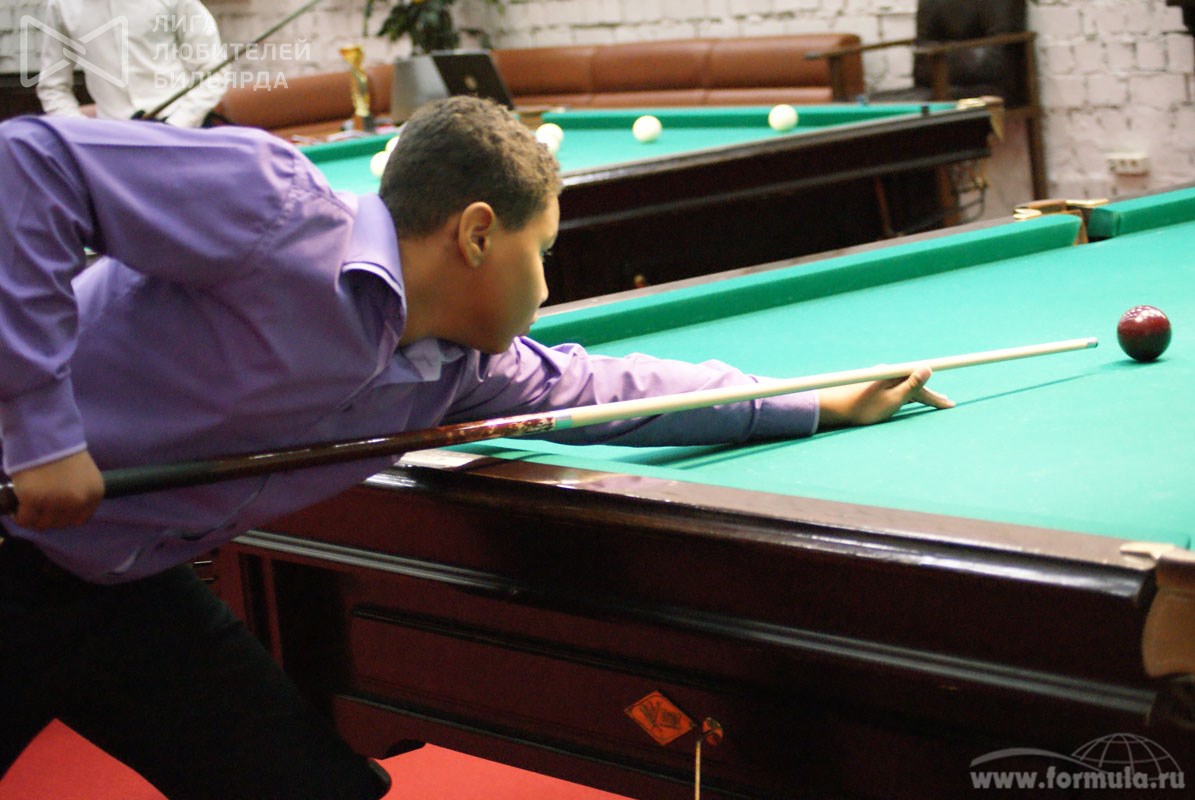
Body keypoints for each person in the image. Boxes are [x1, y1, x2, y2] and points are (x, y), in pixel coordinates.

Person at [0, 96, 951, 799]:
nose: (546, 287)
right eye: (545, 253)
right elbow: (28, 164)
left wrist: (807, 401)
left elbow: (606, 390)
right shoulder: (272, 209)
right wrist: (40, 431)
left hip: (119, 587)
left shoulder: (456, 371)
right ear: (478, 235)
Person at [36, 0, 227, 127]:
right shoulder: (62, 5)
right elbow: (52, 87)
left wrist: (179, 124)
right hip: (112, 141)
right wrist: (83, 133)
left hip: (181, 129)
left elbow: (214, 70)